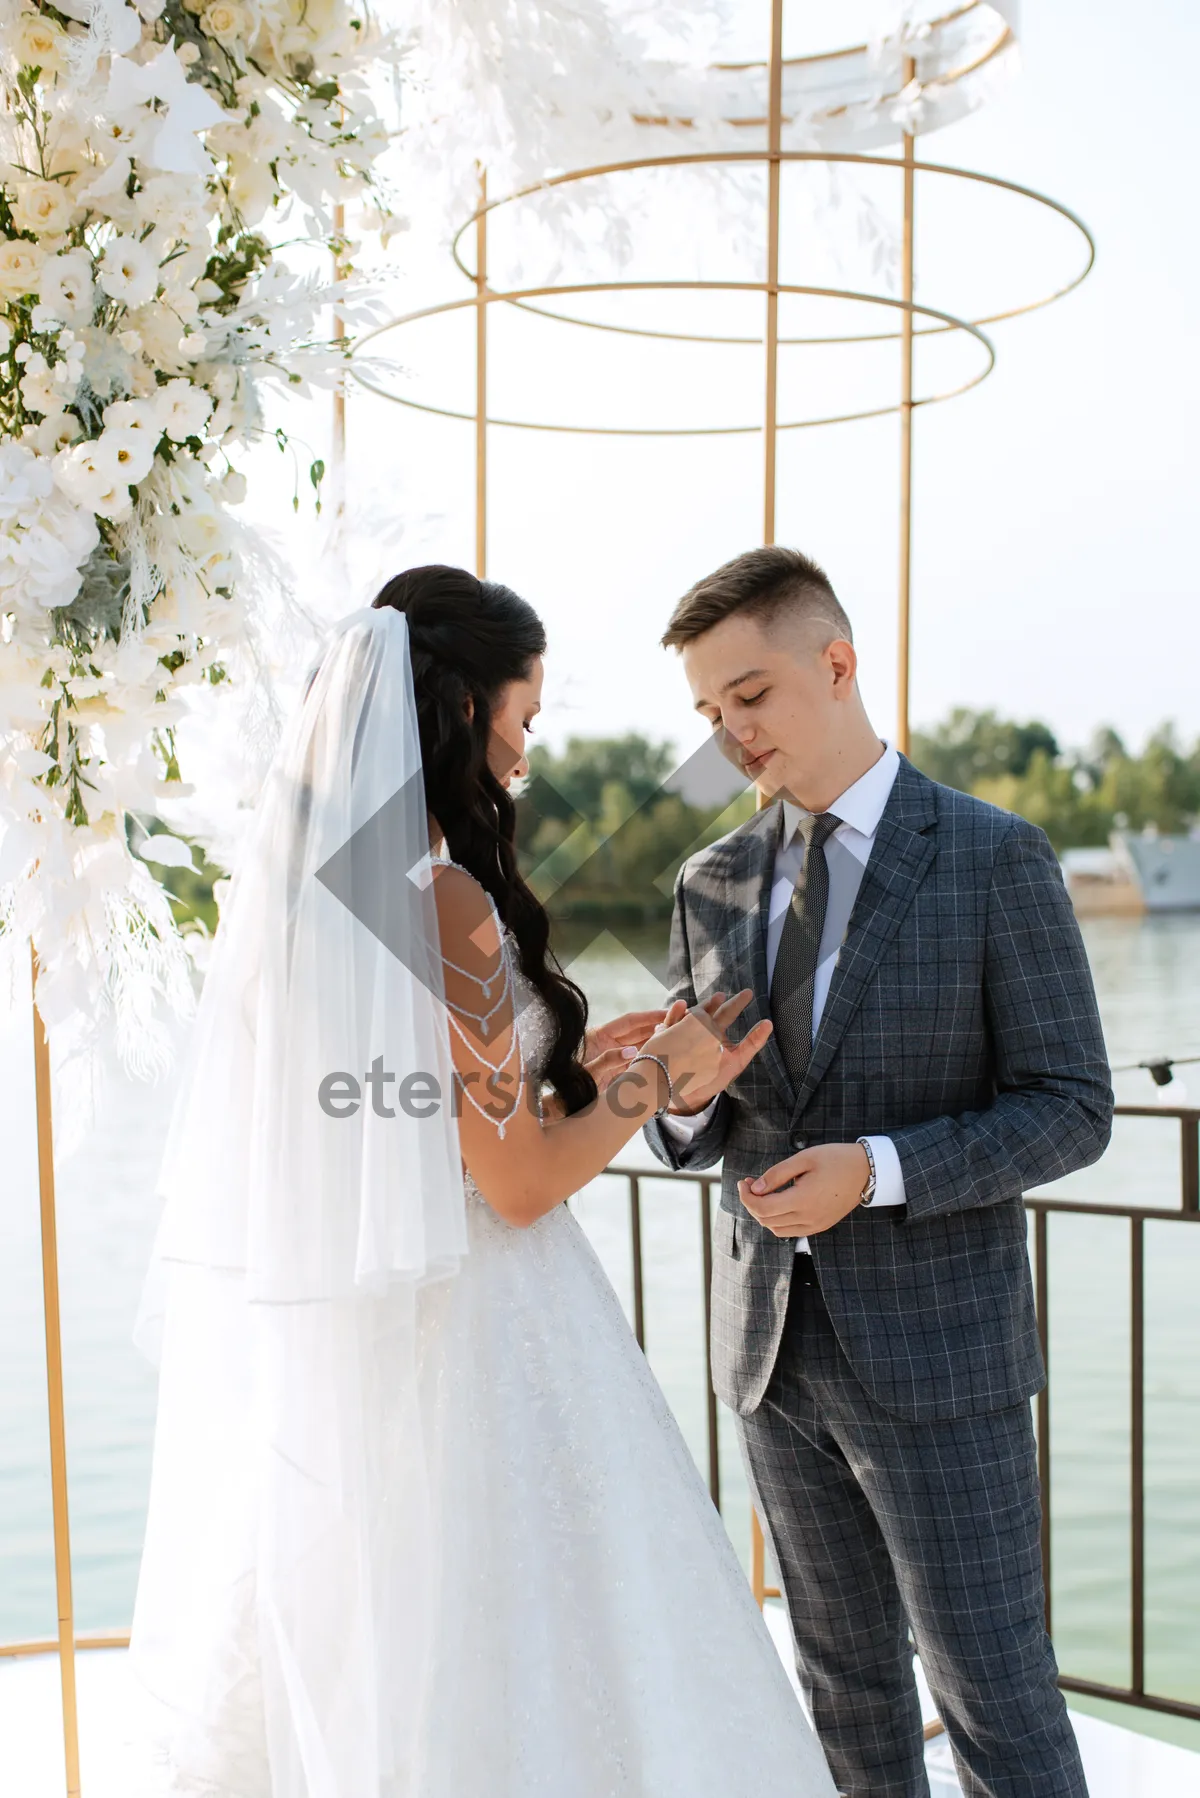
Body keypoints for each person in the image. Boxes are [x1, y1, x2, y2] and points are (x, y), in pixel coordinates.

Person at [128, 565, 837, 1798]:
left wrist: (570, 1063)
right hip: (492, 1327)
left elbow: (415, 1120)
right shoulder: (442, 901)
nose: (524, 752)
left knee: (401, 1650)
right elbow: (513, 1185)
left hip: (367, 1343)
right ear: (460, 711)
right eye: (522, 717)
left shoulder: (323, 897)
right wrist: (655, 1076)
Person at [645, 546, 1113, 1798]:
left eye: (749, 696)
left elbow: (1073, 1108)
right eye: (707, 713)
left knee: (994, 1691)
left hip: (941, 1360)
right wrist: (678, 1100)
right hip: (770, 1356)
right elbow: (693, 1119)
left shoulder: (992, 856)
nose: (730, 734)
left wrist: (882, 1169)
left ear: (836, 663)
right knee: (842, 1687)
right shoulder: (709, 879)